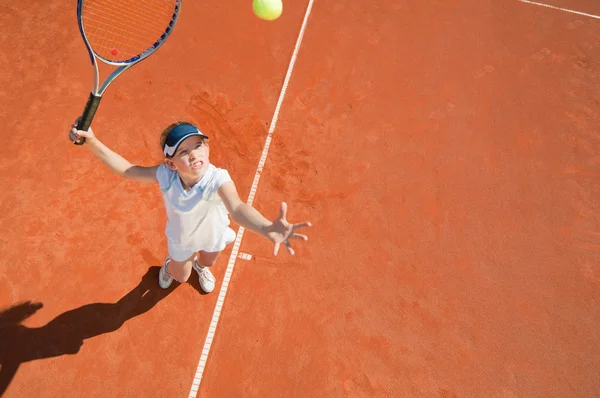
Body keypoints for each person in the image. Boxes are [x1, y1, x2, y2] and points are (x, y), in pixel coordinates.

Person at [69, 120, 311, 293]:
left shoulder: (218, 178)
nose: (193, 154)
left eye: (197, 145)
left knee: (207, 262)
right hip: (181, 240)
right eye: (183, 152)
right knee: (181, 277)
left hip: (212, 236)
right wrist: (93, 142)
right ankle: (170, 266)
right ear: (171, 164)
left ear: (206, 148)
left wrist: (267, 228)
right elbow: (127, 170)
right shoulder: (165, 175)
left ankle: (200, 267)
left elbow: (237, 208)